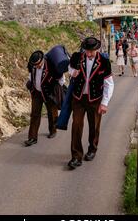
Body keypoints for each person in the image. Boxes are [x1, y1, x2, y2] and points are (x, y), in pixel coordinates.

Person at [68, 37, 114, 170]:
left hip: (95, 99)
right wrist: (73, 72)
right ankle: (76, 156)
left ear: (97, 49)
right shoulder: (77, 57)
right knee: (76, 125)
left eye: (91, 52)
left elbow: (109, 84)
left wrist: (104, 103)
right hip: (78, 98)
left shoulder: (104, 62)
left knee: (94, 125)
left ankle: (92, 149)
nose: (88, 54)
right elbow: (69, 68)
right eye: (87, 51)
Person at [24, 50, 64, 146]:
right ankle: (32, 138)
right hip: (37, 92)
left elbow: (61, 79)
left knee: (52, 112)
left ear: (42, 60)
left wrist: (56, 90)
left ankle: (53, 130)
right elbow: (30, 76)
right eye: (35, 65)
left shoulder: (51, 65)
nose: (37, 66)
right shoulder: (32, 65)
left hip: (49, 92)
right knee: (34, 114)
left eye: (38, 64)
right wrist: (31, 85)